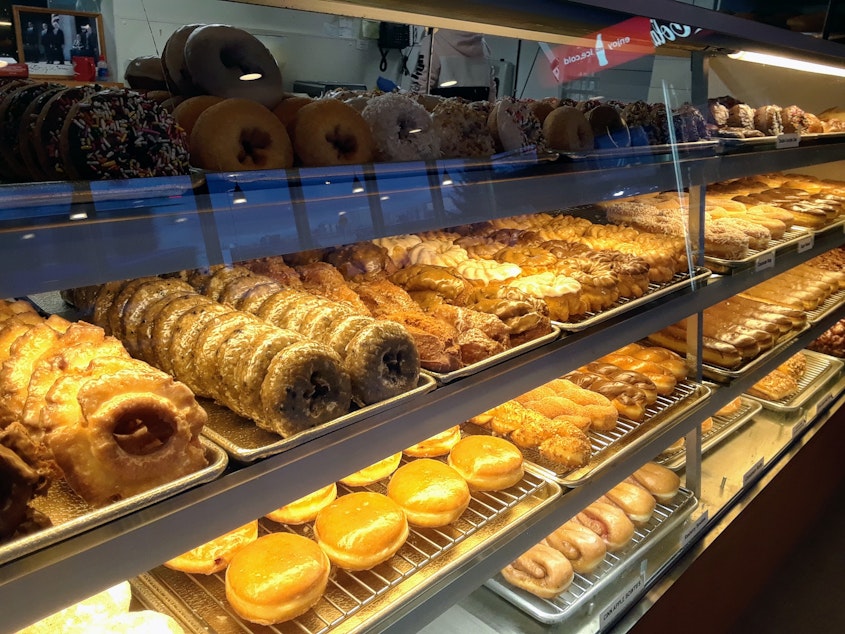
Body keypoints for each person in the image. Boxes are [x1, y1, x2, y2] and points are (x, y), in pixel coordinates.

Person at [409, 28, 496, 101]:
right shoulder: (484, 46)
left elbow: (419, 92)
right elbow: (491, 96)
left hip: (441, 118)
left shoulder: (433, 42)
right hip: (478, 118)